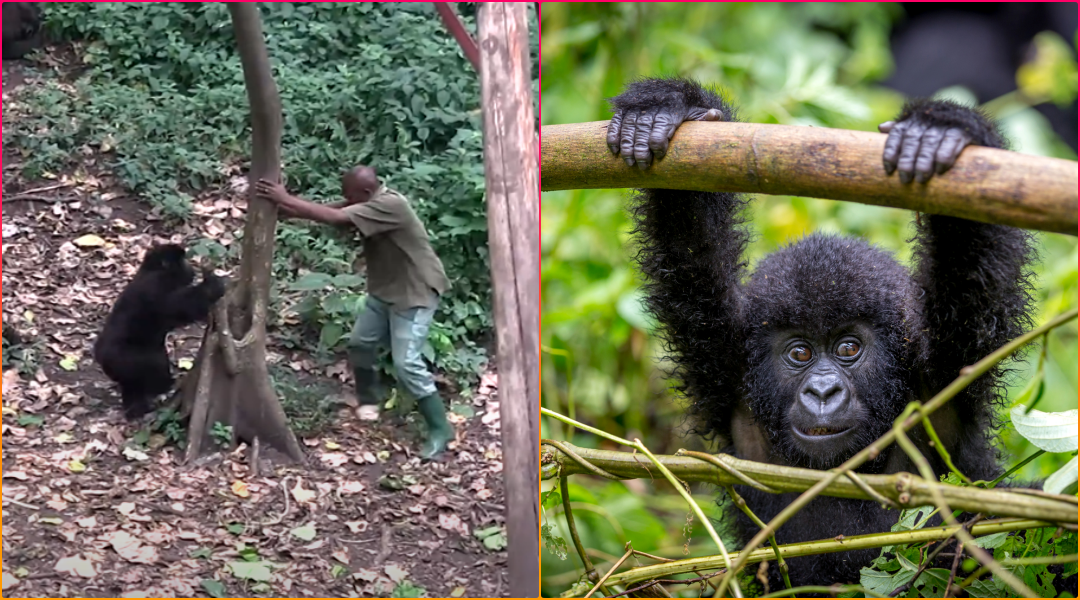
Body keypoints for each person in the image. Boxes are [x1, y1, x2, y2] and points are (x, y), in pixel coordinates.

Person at [255, 166, 454, 460]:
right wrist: (289, 206)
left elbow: (336, 216)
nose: (345, 199)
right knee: (361, 343)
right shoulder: (369, 201)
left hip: (415, 292)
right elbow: (333, 211)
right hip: (385, 290)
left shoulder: (391, 205)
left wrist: (286, 198)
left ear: (364, 192)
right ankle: (368, 400)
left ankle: (440, 430)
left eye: (349, 195)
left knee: (407, 364)